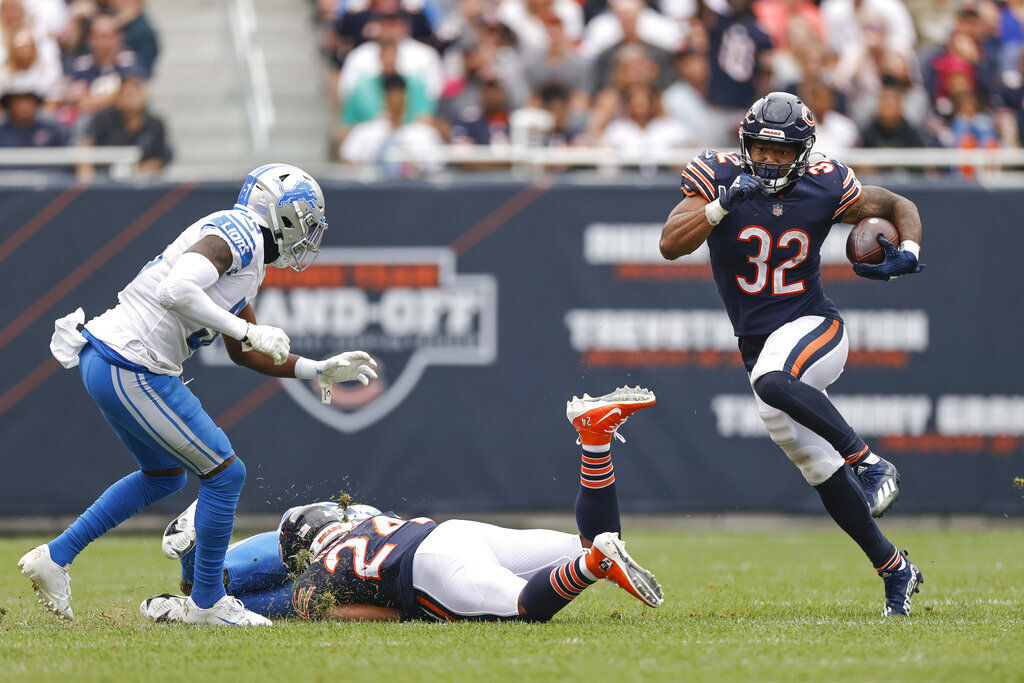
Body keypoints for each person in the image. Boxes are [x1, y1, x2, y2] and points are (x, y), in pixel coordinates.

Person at [18, 164, 380, 626]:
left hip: (113, 358)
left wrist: (317, 368)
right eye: (306, 222)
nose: (309, 236)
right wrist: (248, 327)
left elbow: (244, 352)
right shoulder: (240, 232)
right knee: (226, 474)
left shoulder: (248, 260)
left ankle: (56, 557)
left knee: (165, 475)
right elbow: (176, 290)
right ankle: (208, 602)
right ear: (280, 213)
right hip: (132, 362)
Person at [658, 92, 926, 617]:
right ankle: (896, 569)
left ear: (804, 152)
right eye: (762, 149)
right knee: (817, 466)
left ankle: (872, 462)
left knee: (773, 379)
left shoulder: (826, 182)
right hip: (757, 344)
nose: (771, 161)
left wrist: (910, 252)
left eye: (783, 153)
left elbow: (899, 205)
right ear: (745, 144)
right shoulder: (717, 176)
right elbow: (670, 244)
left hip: (816, 328)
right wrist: (721, 205)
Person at [140, 387, 664, 624]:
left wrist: (395, 611)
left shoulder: (317, 574)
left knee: (525, 604)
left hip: (431, 569)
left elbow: (357, 612)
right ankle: (594, 443)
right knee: (587, 538)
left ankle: (594, 565)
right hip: (450, 534)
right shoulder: (366, 521)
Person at [77, 71, 170, 180]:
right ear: (118, 97)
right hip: (103, 176)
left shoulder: (155, 123)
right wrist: (86, 174)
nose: (130, 99)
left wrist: (139, 173)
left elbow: (160, 157)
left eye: (134, 93)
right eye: (126, 94)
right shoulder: (104, 117)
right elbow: (86, 143)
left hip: (141, 179)